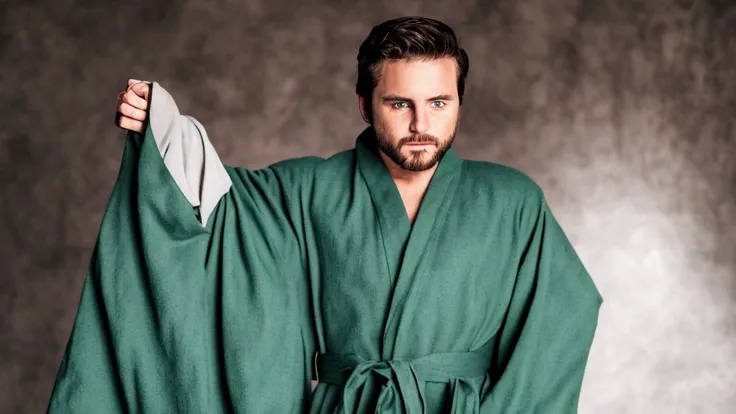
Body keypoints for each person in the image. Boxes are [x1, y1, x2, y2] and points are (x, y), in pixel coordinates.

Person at [48, 16, 603, 413]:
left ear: (458, 101)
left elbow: (558, 321)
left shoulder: (512, 200)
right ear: (365, 104)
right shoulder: (305, 189)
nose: (420, 123)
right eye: (398, 103)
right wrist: (165, 129)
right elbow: (218, 213)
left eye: (438, 102)